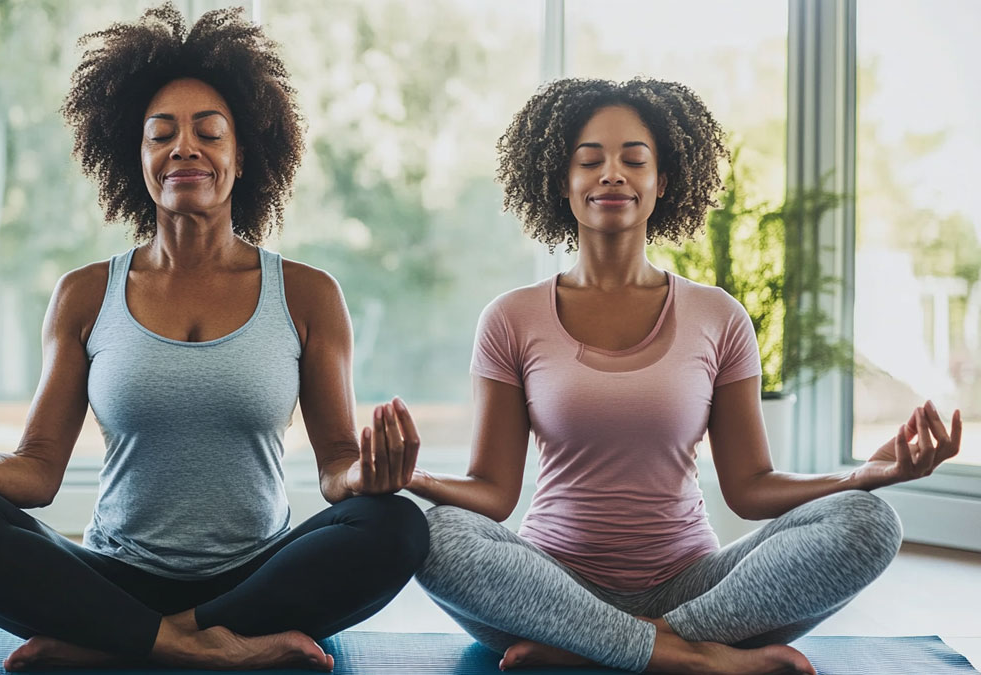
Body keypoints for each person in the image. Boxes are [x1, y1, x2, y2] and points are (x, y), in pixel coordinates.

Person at [0, 5, 427, 672]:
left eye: (208, 133)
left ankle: (119, 643)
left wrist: (369, 472)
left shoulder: (307, 294)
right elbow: (37, 470)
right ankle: (203, 648)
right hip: (114, 573)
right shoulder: (84, 294)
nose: (183, 147)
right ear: (137, 159)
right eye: (161, 136)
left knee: (397, 526)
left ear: (242, 157)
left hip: (257, 578)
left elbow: (336, 468)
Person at [371, 78, 962, 674]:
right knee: (436, 533)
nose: (611, 174)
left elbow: (752, 486)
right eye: (589, 160)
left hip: (695, 592)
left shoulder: (718, 316)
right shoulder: (510, 318)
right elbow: (493, 495)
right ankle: (696, 661)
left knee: (868, 520)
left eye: (634, 159)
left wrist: (862, 476)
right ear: (560, 182)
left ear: (664, 184)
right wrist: (414, 478)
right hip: (547, 591)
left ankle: (625, 647)